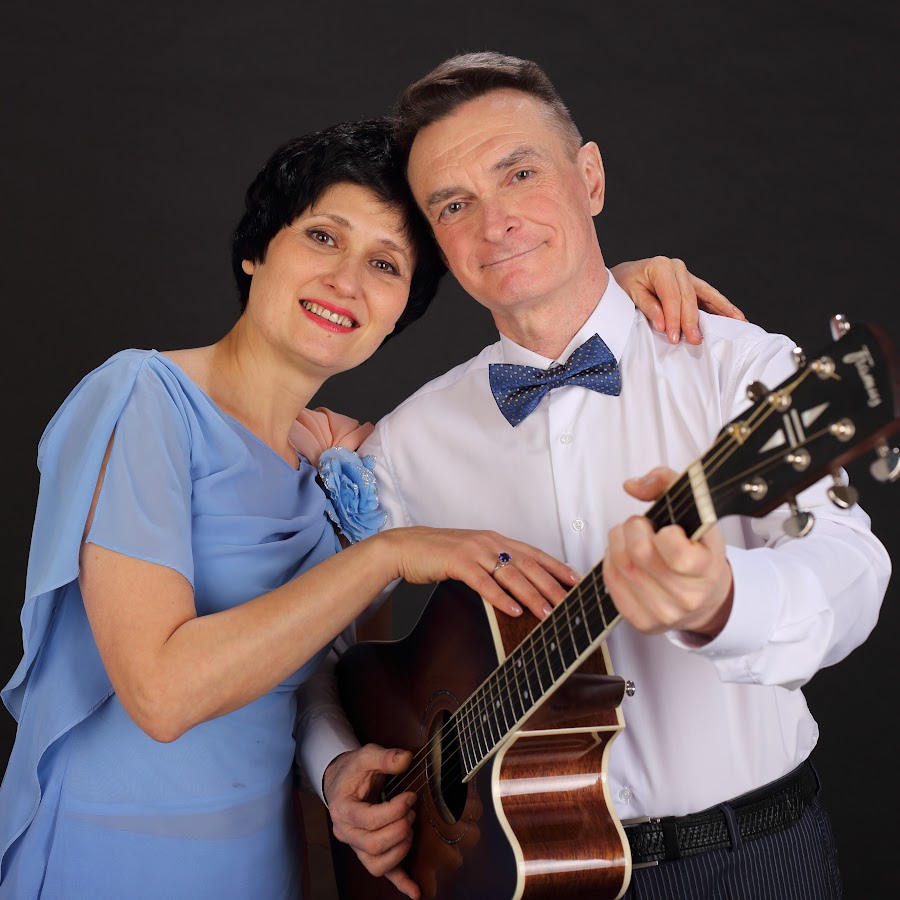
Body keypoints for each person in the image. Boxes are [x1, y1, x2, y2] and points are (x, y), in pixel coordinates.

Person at [0, 116, 725, 899]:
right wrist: (390, 553)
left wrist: (608, 288)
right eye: (323, 237)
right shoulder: (141, 397)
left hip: (265, 862)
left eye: (385, 264)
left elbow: (355, 683)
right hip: (113, 853)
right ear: (256, 249)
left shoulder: (345, 460)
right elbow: (162, 695)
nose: (347, 281)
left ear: (400, 310)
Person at [299, 55, 891, 900]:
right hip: (505, 877)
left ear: (591, 179)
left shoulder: (740, 366)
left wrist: (723, 601)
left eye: (520, 174)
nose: (495, 222)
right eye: (454, 205)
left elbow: (853, 568)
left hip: (749, 860)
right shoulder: (408, 444)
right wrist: (334, 765)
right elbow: (314, 642)